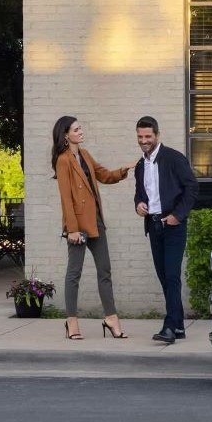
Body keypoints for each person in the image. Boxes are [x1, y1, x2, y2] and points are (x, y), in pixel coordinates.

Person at [50, 116, 134, 339]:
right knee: (74, 274)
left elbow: (103, 175)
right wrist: (72, 229)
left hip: (96, 222)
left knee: (104, 271)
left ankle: (111, 319)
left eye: (80, 128)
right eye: (76, 129)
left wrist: (122, 170)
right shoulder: (63, 160)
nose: (81, 131)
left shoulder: (84, 155)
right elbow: (66, 198)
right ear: (66, 135)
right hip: (78, 226)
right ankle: (72, 322)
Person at [132, 116, 198, 344]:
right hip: (153, 225)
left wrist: (177, 216)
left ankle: (170, 327)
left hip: (173, 226)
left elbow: (191, 187)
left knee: (171, 275)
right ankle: (178, 325)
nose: (144, 141)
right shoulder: (140, 165)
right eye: (140, 137)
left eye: (148, 136)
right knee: (164, 277)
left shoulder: (174, 158)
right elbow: (141, 194)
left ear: (157, 135)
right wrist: (139, 204)